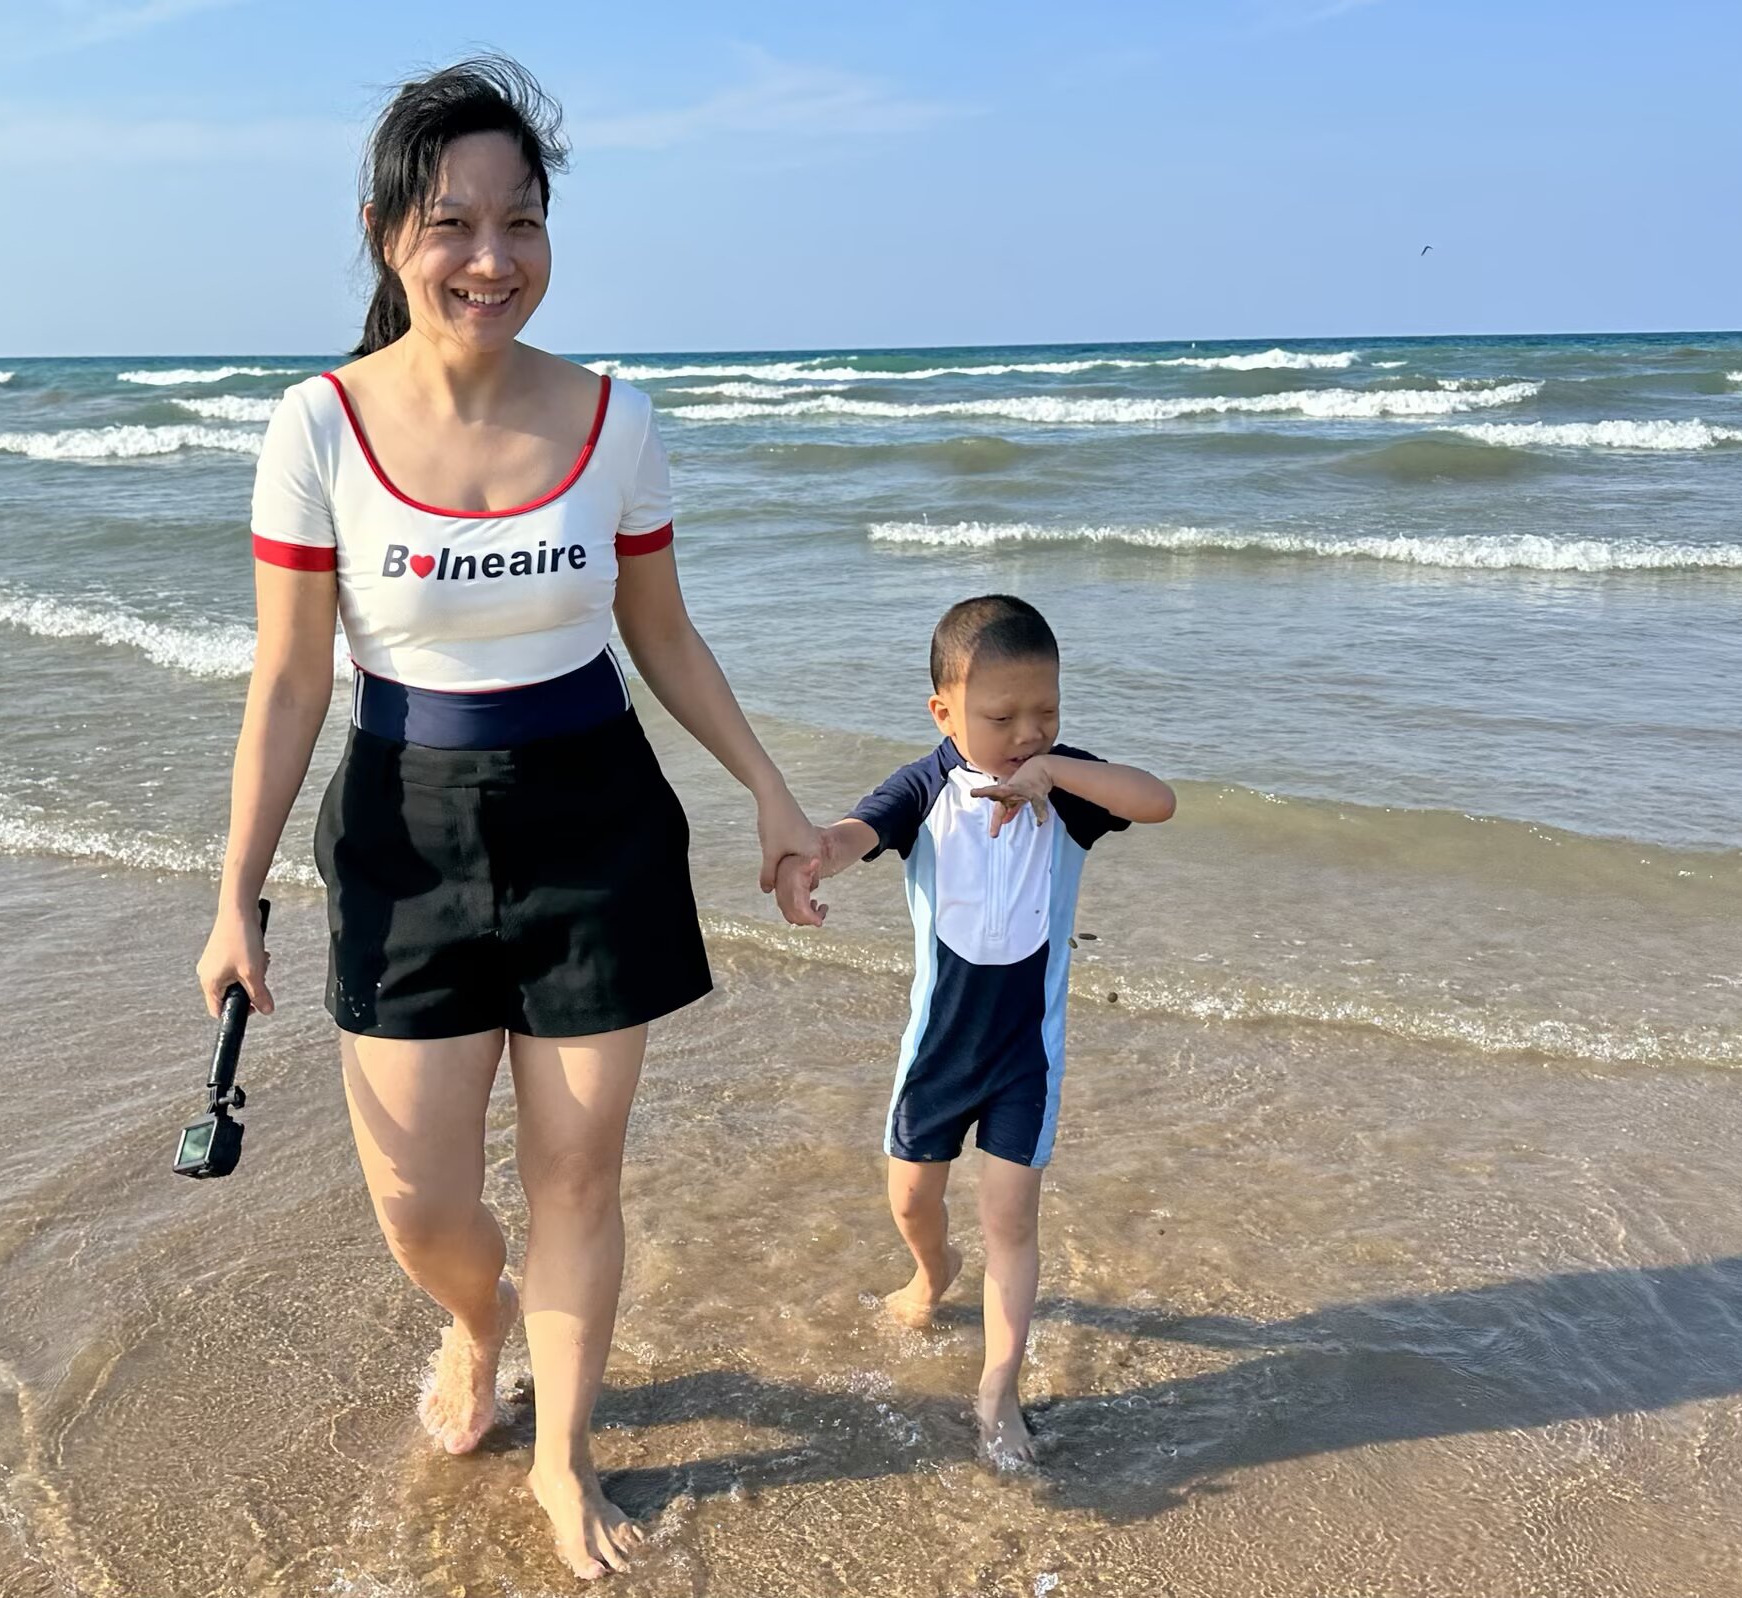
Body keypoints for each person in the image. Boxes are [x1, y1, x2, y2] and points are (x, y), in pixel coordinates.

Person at [194, 57, 823, 1581]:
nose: (492, 257)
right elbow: (290, 680)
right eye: (453, 224)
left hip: (594, 820)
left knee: (578, 1174)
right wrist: (233, 894)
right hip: (400, 831)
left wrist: (767, 786)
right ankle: (477, 1325)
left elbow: (661, 632)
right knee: (417, 1199)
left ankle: (563, 1450)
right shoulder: (318, 425)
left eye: (521, 221)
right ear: (385, 233)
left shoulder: (615, 417)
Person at [777, 594, 1175, 1464]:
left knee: (1011, 1222)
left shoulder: (1068, 789)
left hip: (1024, 1056)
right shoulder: (923, 787)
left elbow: (1157, 801)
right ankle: (932, 1272)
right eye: (1002, 718)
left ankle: (999, 1389)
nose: (1027, 733)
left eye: (1046, 714)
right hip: (937, 1052)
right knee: (910, 1200)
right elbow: (854, 833)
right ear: (944, 712)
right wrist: (815, 859)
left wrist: (1055, 771)